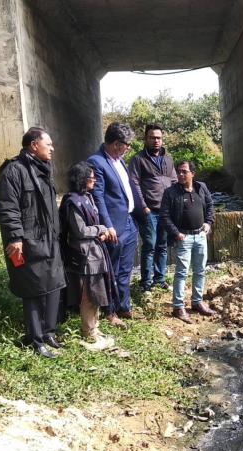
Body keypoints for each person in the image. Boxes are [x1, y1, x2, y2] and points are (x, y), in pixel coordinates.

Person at [0, 127, 65, 358]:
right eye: (49, 144)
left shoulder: (44, 169)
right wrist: (15, 237)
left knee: (53, 285)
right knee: (32, 290)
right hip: (27, 242)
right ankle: (35, 340)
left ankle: (48, 333)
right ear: (34, 145)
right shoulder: (14, 171)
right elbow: (7, 207)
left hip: (49, 239)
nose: (52, 148)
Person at [86, 122, 142, 323]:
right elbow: (98, 197)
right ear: (117, 143)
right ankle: (109, 312)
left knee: (126, 268)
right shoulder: (97, 162)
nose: (128, 148)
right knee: (112, 270)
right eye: (127, 144)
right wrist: (108, 226)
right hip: (113, 227)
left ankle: (123, 306)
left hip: (128, 222)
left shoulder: (119, 160)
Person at [59, 162, 116, 351]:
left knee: (96, 293)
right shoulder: (72, 201)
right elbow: (80, 230)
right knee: (87, 295)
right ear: (82, 179)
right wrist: (101, 229)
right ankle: (87, 331)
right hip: (84, 255)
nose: (95, 180)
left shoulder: (88, 197)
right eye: (92, 178)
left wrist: (100, 232)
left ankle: (95, 328)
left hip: (95, 251)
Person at [160, 160, 217, 323]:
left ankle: (197, 302)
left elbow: (210, 206)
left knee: (200, 270)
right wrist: (176, 233)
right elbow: (164, 216)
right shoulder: (171, 192)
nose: (180, 174)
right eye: (179, 171)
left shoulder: (201, 188)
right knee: (181, 272)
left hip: (200, 235)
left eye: (184, 171)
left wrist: (208, 222)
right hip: (183, 237)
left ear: (193, 173)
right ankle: (178, 307)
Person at [128, 124, 177, 294]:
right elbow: (134, 184)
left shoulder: (168, 159)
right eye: (152, 137)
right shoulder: (138, 160)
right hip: (149, 210)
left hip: (166, 210)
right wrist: (143, 207)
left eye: (158, 138)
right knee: (150, 245)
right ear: (146, 139)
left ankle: (160, 279)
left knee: (162, 245)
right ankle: (145, 283)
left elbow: (174, 181)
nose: (156, 141)